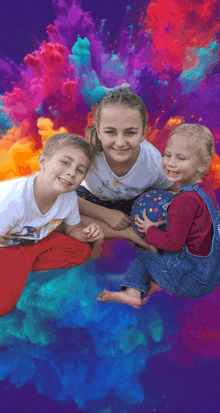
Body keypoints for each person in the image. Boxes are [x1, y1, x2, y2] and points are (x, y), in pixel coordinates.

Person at [97, 124, 220, 306]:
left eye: (181, 158)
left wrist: (150, 231)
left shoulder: (184, 202)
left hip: (191, 282)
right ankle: (159, 280)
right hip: (210, 275)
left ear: (202, 164)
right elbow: (197, 221)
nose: (171, 163)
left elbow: (173, 244)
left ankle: (133, 292)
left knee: (145, 255)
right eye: (168, 155)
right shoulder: (205, 191)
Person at [0, 133, 103, 316]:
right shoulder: (11, 199)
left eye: (80, 170)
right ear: (43, 161)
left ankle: (25, 261)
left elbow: (73, 229)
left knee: (81, 250)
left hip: (30, 243)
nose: (72, 172)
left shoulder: (69, 197)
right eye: (65, 162)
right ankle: (20, 265)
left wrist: (85, 234)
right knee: (3, 306)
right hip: (5, 248)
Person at [77, 88, 176, 249]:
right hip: (94, 203)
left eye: (130, 133)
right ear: (99, 132)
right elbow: (57, 193)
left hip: (136, 205)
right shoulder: (86, 154)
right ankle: (129, 234)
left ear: (143, 132)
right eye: (110, 132)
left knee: (172, 204)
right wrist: (105, 215)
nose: (120, 142)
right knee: (58, 209)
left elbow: (173, 189)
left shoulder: (152, 160)